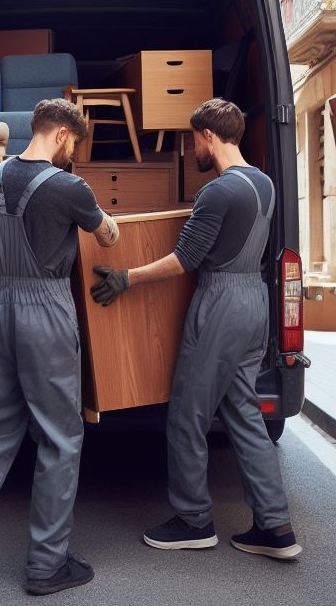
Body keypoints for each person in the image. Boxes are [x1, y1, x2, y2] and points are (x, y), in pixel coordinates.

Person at [90, 98, 300, 561]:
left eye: (192, 139)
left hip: (222, 302)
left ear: (207, 135)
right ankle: (275, 526)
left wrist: (127, 278)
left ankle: (193, 521)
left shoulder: (218, 192)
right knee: (245, 415)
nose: (190, 150)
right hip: (254, 302)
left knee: (188, 413)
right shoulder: (263, 184)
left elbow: (184, 260)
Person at [0, 98, 121, 595]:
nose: (70, 154)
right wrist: (103, 218)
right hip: (44, 311)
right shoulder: (69, 186)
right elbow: (108, 235)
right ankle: (46, 564)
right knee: (60, 435)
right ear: (61, 135)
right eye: (72, 145)